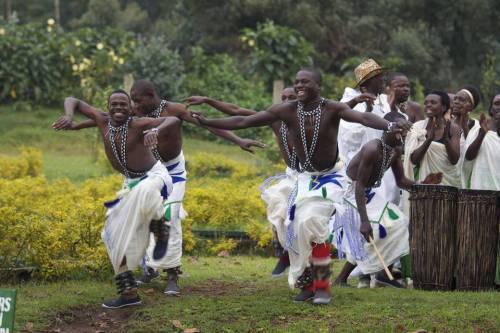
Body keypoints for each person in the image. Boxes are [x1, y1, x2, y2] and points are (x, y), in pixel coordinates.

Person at [191, 68, 411, 304]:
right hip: (304, 179)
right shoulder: (286, 110)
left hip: (331, 178)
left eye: (304, 82)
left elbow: (363, 118)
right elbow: (244, 120)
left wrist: (387, 126)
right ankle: (308, 284)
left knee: (312, 222)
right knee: (293, 230)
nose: (299, 86)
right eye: (296, 82)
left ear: (318, 86)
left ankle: (323, 286)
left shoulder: (332, 108)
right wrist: (206, 121)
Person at [55, 80, 264, 296]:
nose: (134, 105)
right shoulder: (134, 110)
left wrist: (238, 140)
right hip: (143, 172)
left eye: (137, 100)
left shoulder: (175, 110)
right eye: (132, 101)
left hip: (171, 171)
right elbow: (108, 120)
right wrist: (75, 125)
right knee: (140, 217)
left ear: (150, 95)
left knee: (169, 215)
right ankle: (150, 267)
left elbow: (207, 125)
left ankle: (172, 273)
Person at [53, 90, 178, 308]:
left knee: (145, 194)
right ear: (107, 107)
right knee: (110, 235)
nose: (119, 108)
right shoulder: (102, 120)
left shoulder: (138, 124)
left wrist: (155, 130)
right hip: (129, 184)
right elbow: (72, 100)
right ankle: (129, 293)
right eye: (114, 104)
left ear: (130, 109)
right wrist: (70, 116)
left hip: (154, 177)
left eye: (123, 105)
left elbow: (173, 119)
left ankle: (158, 227)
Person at [184, 87, 298, 278]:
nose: (286, 101)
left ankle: (305, 265)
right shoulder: (275, 119)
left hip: (314, 175)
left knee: (300, 216)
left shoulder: (309, 119)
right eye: (283, 97)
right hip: (292, 174)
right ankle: (285, 254)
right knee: (277, 207)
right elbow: (237, 113)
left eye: (291, 97)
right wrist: (207, 100)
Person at [332, 128, 441, 288]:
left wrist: (423, 184)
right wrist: (364, 221)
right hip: (349, 193)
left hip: (365, 194)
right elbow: (359, 185)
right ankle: (343, 278)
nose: (405, 137)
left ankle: (384, 274)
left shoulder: (395, 152)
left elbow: (402, 181)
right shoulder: (373, 149)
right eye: (402, 133)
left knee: (399, 222)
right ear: (389, 130)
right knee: (373, 230)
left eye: (406, 134)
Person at [403, 91, 461, 188]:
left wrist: (446, 139)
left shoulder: (453, 128)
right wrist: (429, 140)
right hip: (424, 183)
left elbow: (454, 160)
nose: (428, 105)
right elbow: (414, 160)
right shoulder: (417, 127)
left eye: (433, 103)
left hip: (447, 184)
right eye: (426, 103)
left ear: (443, 107)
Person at [463, 93, 500, 190]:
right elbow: (468, 157)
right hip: (482, 190)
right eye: (497, 103)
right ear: (491, 108)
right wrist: (482, 133)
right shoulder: (478, 129)